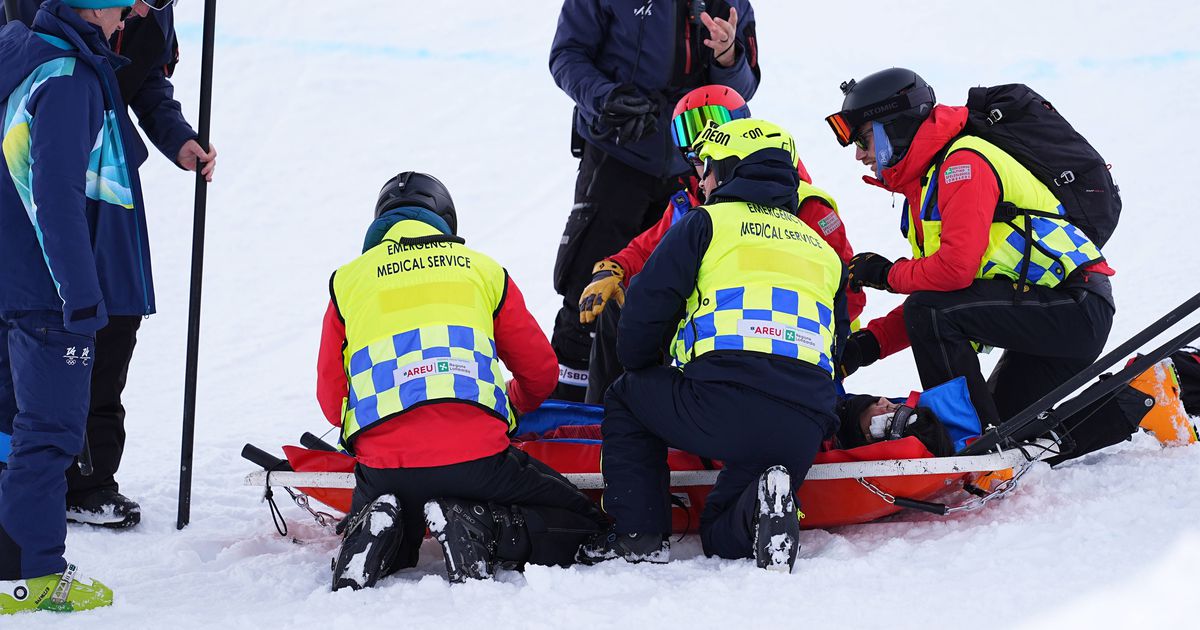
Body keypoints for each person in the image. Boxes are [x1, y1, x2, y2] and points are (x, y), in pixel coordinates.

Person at [578, 119, 848, 572]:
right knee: (720, 532)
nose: (700, 179)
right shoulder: (821, 249)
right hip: (804, 422)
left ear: (730, 168)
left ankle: (638, 536)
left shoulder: (707, 222)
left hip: (723, 404)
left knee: (626, 396)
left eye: (706, 167)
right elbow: (836, 348)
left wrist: (646, 372)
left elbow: (645, 315)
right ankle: (767, 500)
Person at [317, 172, 606, 589]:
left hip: (383, 469)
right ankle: (479, 525)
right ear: (445, 219)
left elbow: (331, 402)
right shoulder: (483, 271)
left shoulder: (348, 282)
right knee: (582, 522)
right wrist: (510, 403)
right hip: (478, 461)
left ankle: (381, 530)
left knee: (397, 504)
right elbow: (541, 374)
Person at [1, 0, 217, 529]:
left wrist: (178, 138)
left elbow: (145, 84)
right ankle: (26, 483)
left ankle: (87, 479)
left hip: (107, 178)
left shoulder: (150, 15)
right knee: (32, 334)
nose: (141, 11)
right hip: (35, 169)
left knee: (111, 323)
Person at [825, 68, 1115, 434]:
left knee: (975, 429)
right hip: (1049, 314)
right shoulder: (930, 183)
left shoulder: (962, 163)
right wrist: (869, 344)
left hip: (1073, 307)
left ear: (894, 126)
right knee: (1006, 430)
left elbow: (952, 276)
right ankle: (1139, 401)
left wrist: (885, 275)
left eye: (864, 139)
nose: (859, 155)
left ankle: (962, 446)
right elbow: (944, 296)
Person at [0, 0, 153, 614]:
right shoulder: (68, 79)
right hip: (47, 292)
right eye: (120, 8)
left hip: (14, 281)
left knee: (13, 430)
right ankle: (33, 576)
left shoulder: (23, 54)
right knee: (52, 432)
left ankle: (12, 567)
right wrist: (81, 295)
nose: (127, 20)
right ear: (93, 9)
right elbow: (57, 194)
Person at [579, 84, 865, 402]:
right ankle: (609, 418)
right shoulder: (691, 202)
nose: (703, 141)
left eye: (714, 125)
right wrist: (613, 269)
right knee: (624, 309)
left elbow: (848, 289)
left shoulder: (806, 206)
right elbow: (648, 248)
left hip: (795, 339)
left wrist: (837, 349)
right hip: (718, 330)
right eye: (690, 131)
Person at [548, 0, 761, 401]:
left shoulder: (733, 4)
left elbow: (741, 90)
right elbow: (567, 55)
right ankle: (566, 407)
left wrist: (727, 54)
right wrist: (606, 98)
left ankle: (655, 403)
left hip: (695, 162)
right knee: (588, 284)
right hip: (616, 153)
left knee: (677, 290)